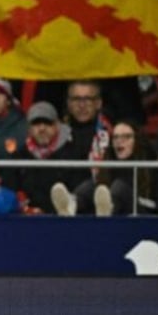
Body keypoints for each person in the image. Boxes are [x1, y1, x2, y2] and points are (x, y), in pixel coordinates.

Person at [50, 80, 112, 216]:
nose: (82, 105)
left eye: (88, 99)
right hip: (59, 210)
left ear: (98, 103)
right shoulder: (55, 134)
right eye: (76, 99)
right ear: (68, 103)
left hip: (101, 208)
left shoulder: (111, 134)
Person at [1, 101, 72, 214]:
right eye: (36, 123)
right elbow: (8, 192)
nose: (42, 128)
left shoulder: (71, 153)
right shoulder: (18, 157)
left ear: (57, 126)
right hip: (27, 221)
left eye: (48, 123)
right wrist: (25, 208)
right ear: (29, 128)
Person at [93, 121, 158, 216]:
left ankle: (107, 214)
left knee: (119, 187)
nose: (119, 141)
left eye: (127, 137)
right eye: (116, 137)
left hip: (143, 217)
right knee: (90, 186)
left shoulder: (149, 166)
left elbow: (154, 203)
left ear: (137, 141)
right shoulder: (108, 167)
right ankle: (71, 207)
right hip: (116, 216)